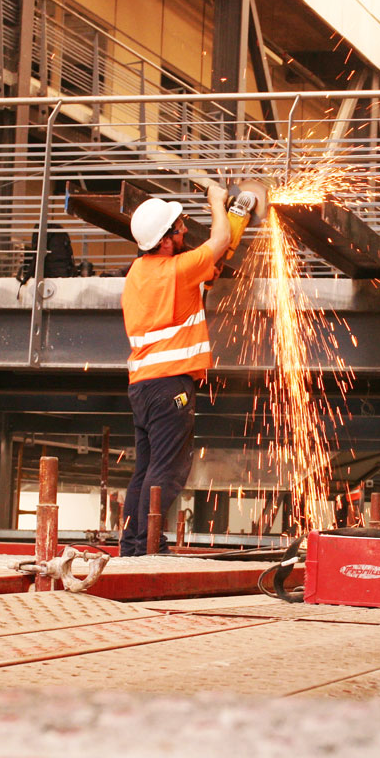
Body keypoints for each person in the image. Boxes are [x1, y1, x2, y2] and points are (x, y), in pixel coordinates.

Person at [118, 186, 236, 556]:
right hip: (171, 386)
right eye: (179, 227)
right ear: (165, 242)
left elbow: (190, 285)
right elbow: (220, 239)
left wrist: (207, 271)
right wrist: (217, 200)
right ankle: (150, 547)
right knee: (167, 471)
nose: (184, 230)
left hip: (143, 387)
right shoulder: (177, 270)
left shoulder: (140, 271)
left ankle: (135, 545)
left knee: (145, 470)